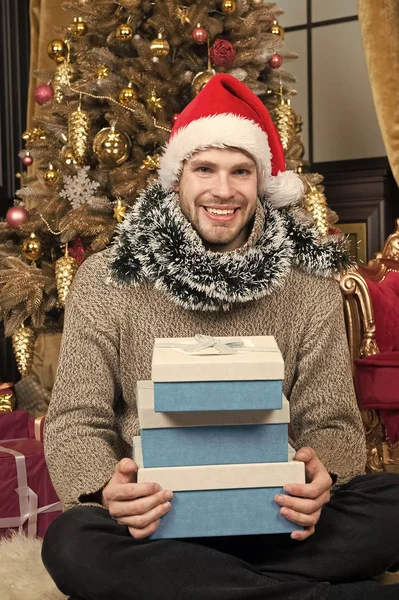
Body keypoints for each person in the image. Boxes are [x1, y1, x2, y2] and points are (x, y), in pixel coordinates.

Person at [42, 74, 399, 600]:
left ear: (262, 181)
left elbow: (333, 421)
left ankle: (200, 587)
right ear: (177, 177)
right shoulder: (107, 277)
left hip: (279, 514)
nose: (223, 191)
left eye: (241, 171)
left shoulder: (308, 284)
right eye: (204, 168)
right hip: (155, 521)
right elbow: (76, 418)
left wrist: (321, 474)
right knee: (71, 544)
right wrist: (106, 488)